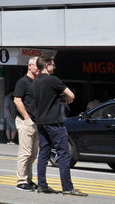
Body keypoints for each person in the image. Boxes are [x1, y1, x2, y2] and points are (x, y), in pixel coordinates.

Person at [32, 57, 86, 196]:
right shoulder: (53, 80)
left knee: (44, 153)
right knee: (63, 153)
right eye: (53, 65)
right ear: (46, 65)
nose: (54, 67)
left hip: (41, 121)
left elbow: (46, 99)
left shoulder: (35, 82)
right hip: (54, 122)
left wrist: (59, 98)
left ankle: (42, 185)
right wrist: (64, 98)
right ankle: (67, 187)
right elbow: (71, 95)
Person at [12, 57, 42, 190]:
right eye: (37, 65)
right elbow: (17, 100)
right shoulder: (23, 82)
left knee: (33, 154)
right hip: (26, 121)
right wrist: (27, 118)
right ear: (29, 66)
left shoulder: (38, 82)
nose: (39, 68)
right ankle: (21, 180)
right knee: (25, 152)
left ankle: (29, 180)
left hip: (36, 122)